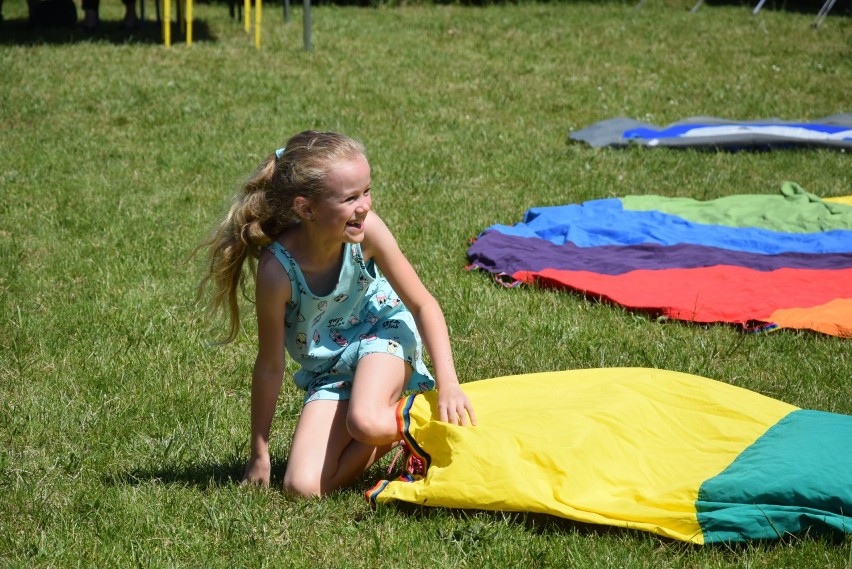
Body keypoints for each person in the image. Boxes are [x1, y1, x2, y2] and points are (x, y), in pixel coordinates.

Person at [198, 131, 476, 497]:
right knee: (302, 486)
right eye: (350, 198)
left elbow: (423, 304)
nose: (364, 206)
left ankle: (418, 422)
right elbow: (269, 365)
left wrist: (450, 383)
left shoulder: (369, 233)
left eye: (366, 191)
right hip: (330, 371)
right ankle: (400, 427)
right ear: (306, 209)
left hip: (385, 334)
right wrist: (259, 453)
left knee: (364, 421)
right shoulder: (277, 272)